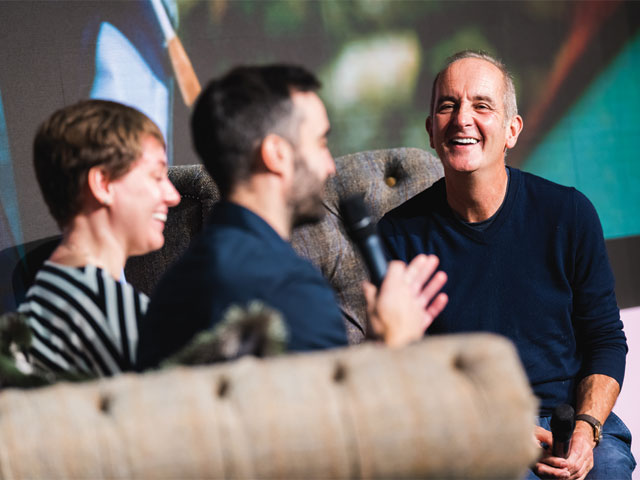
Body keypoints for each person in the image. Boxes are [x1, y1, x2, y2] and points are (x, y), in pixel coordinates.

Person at [378, 50, 634, 479]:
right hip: (470, 429)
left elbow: (606, 340)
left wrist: (588, 431)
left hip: (570, 422)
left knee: (607, 470)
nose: (461, 118)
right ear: (430, 130)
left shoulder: (569, 213)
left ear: (512, 129)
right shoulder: (398, 235)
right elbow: (406, 372)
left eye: (481, 105)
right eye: (447, 105)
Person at [137, 64, 448, 369]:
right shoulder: (292, 292)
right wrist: (397, 346)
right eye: (321, 143)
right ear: (276, 154)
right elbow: (333, 417)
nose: (330, 165)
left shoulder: (173, 287)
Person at [18, 99, 180, 378]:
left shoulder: (45, 298)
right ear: (102, 184)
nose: (173, 195)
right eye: (156, 176)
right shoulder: (124, 322)